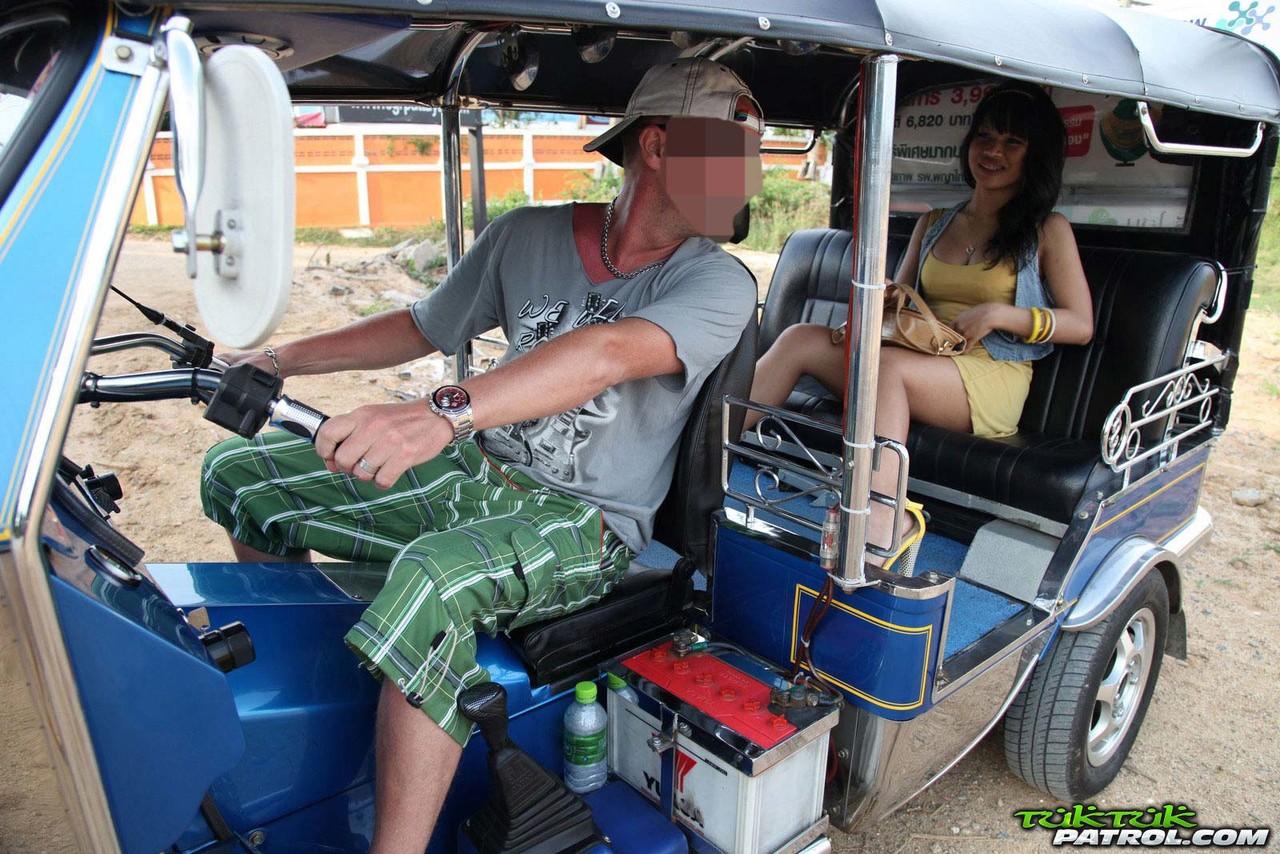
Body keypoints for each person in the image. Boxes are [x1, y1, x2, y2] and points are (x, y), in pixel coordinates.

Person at [199, 57, 762, 851]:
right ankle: (314, 690)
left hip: (585, 522)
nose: (748, 179)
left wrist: (442, 411)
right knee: (241, 476)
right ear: (660, 145)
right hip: (474, 472)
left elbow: (606, 353)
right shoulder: (526, 235)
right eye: (731, 155)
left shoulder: (719, 283)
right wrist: (279, 359)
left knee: (434, 578)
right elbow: (423, 325)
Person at [746, 81, 1093, 562]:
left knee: (886, 370)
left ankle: (884, 518)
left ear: (1035, 156)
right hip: (921, 360)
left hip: (990, 374)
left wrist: (1001, 314)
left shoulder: (1046, 229)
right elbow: (901, 303)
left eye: (1012, 142)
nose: (993, 151)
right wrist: (882, 298)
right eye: (984, 137)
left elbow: (1081, 323)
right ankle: (705, 450)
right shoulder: (936, 222)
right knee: (800, 338)